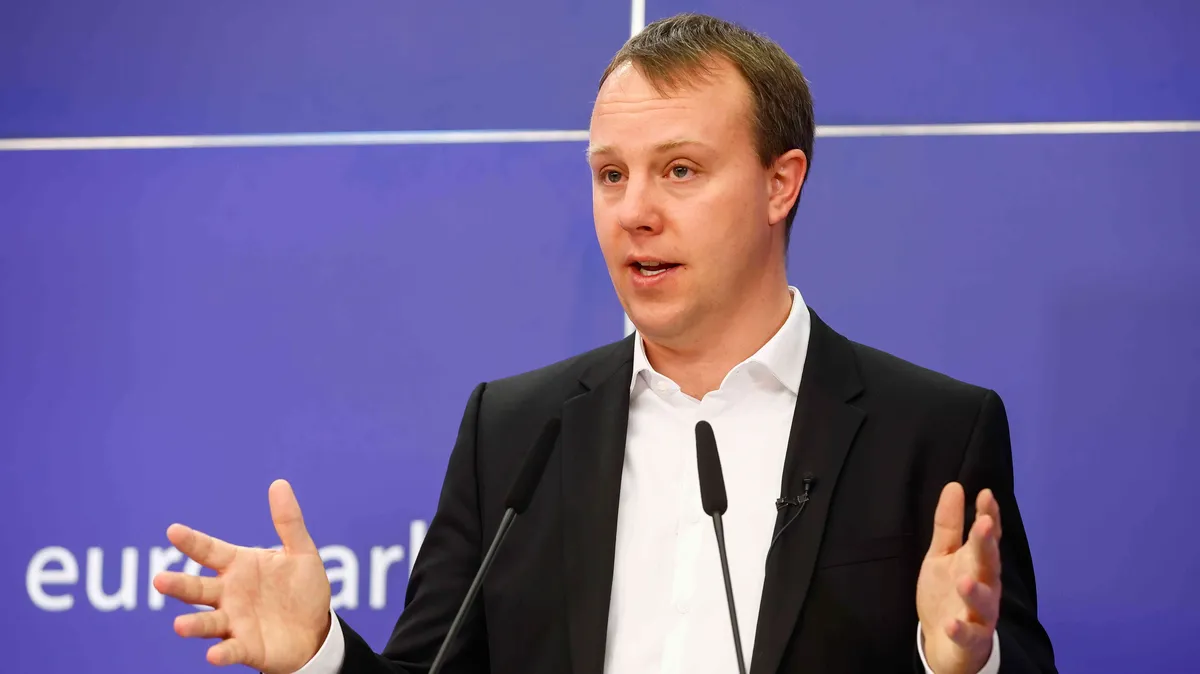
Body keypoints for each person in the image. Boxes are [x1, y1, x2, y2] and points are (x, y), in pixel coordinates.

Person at [153, 12, 1056, 674]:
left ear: (781, 185)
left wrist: (963, 663)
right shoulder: (513, 431)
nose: (635, 212)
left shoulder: (932, 433)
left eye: (680, 170)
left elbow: (1000, 652)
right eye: (610, 175)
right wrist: (320, 654)